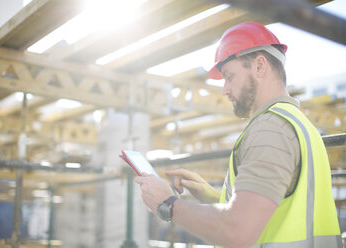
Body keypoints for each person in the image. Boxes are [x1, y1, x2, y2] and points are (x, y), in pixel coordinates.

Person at [134, 22, 341, 248]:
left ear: (260, 66)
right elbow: (269, 211)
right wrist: (212, 196)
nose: (225, 89)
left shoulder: (270, 129)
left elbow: (237, 232)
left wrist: (169, 204)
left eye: (230, 77)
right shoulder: (300, 125)